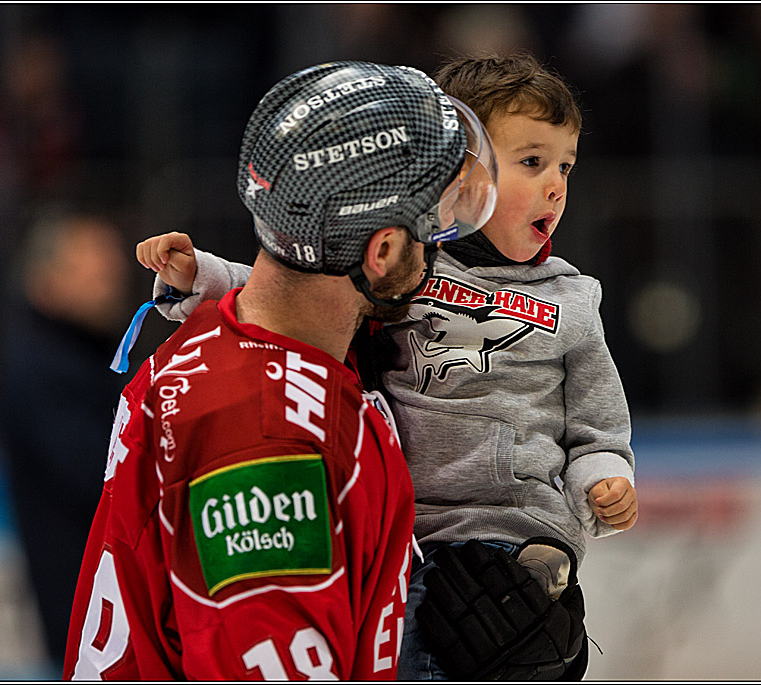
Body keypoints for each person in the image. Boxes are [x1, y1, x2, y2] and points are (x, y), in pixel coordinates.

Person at [135, 52, 638, 680]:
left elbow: (598, 425)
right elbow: (295, 286)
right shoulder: (402, 276)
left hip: (510, 533)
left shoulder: (572, 297)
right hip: (414, 540)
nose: (556, 184)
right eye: (531, 162)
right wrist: (199, 276)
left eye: (565, 165)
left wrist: (602, 479)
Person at [62, 60, 499, 680]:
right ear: (381, 252)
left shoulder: (245, 345)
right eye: (432, 223)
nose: (441, 247)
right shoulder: (262, 432)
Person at [0, 209, 130, 673]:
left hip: (98, 618)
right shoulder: (43, 369)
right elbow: (105, 476)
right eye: (92, 268)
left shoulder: (86, 354)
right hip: (84, 623)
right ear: (44, 280)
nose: (110, 279)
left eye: (111, 267)